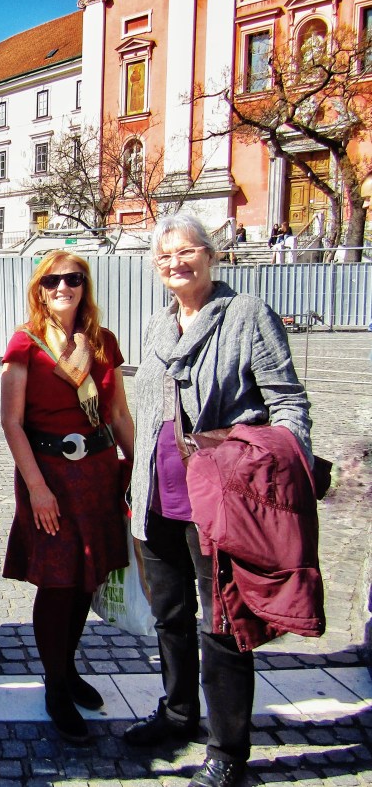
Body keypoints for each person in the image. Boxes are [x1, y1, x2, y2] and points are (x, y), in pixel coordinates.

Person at [126, 213, 312, 787]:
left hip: (222, 501)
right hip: (158, 495)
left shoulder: (246, 314)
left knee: (225, 621)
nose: (176, 264)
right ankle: (179, 713)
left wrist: (282, 465)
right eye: (165, 257)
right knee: (170, 616)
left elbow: (286, 401)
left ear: (212, 256)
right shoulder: (159, 322)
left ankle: (228, 748)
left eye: (188, 252)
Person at [0, 251, 135, 742]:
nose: (63, 287)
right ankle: (55, 685)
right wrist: (36, 489)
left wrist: (136, 471)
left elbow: (117, 413)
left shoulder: (103, 343)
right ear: (40, 287)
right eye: (53, 280)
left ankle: (68, 669)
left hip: (97, 475)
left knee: (84, 579)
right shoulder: (25, 344)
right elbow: (11, 423)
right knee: (57, 583)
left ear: (84, 285)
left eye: (73, 279)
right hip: (50, 478)